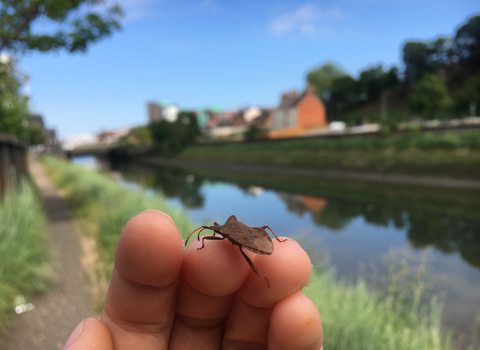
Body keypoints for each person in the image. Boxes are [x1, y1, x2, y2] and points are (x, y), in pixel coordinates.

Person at [62, 210, 323, 349]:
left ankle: (268, 262)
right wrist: (199, 243)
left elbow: (225, 236)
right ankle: (269, 258)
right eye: (210, 232)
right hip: (251, 238)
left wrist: (199, 243)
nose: (211, 234)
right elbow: (214, 236)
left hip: (257, 242)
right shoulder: (222, 235)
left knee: (258, 252)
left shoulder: (226, 235)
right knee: (251, 243)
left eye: (211, 232)